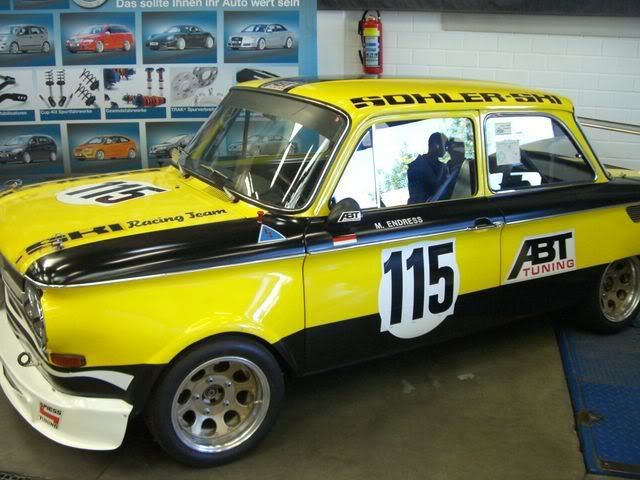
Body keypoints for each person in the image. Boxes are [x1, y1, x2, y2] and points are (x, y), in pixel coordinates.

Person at [407, 132, 450, 204]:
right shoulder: (416, 167)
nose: (447, 149)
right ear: (436, 146)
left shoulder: (443, 167)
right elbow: (417, 198)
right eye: (445, 146)